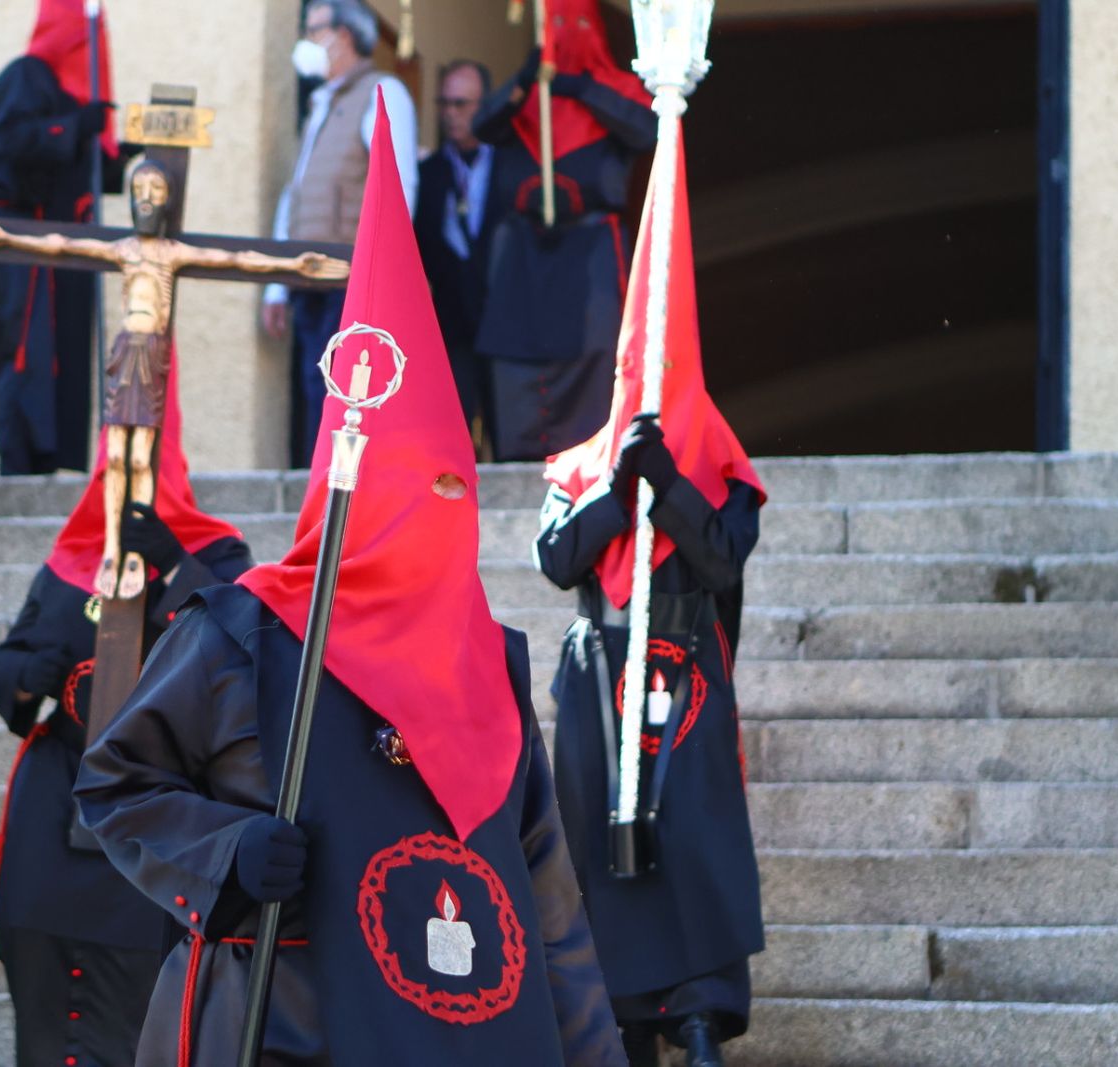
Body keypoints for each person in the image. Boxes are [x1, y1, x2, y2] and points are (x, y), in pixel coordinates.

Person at [78, 99, 625, 1067]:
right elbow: (116, 784)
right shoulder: (238, 632)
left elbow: (549, 907)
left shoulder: (487, 670)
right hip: (279, 1024)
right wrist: (225, 851)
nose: (440, 511)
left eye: (456, 487)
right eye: (419, 488)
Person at [533, 128, 766, 1067]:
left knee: (697, 837)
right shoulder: (582, 461)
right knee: (599, 845)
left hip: (687, 663)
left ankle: (700, 1013)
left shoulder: (720, 463)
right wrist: (612, 487)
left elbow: (719, 560)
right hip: (600, 668)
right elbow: (557, 559)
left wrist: (671, 482)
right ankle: (625, 1022)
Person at [0, 354, 254, 1067]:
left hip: (156, 827)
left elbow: (245, 653)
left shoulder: (216, 554)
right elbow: (6, 669)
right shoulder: (71, 556)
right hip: (51, 819)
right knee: (45, 1022)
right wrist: (26, 674)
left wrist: (173, 569)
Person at [0, 162, 346, 598]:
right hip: (124, 354)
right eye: (137, 187)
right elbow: (61, 245)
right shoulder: (123, 248)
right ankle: (112, 547)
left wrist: (301, 264)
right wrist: (2, 237)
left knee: (142, 459)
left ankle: (136, 548)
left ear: (165, 199)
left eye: (154, 188)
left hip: (150, 358)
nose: (144, 197)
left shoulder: (168, 252)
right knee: (115, 460)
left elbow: (236, 258)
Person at [474, 0, 658, 461]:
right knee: (514, 359)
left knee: (595, 360)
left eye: (575, 25)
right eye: (556, 26)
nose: (565, 36)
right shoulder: (525, 103)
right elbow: (484, 127)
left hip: (589, 252)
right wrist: (525, 80)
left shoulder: (614, 93)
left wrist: (580, 88)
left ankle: (590, 460)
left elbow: (646, 129)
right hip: (524, 258)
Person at [261, 0, 419, 466]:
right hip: (309, 274)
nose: (307, 43)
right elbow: (297, 190)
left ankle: (340, 493)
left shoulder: (382, 91)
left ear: (344, 36)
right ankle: (319, 490)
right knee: (317, 386)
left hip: (353, 275)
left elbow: (399, 185)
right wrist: (275, 284)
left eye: (314, 31)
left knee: (346, 390)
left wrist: (386, 267)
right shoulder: (323, 101)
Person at [0, 0, 122, 475]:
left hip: (62, 252)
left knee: (59, 365)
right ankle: (20, 470)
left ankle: (49, 465)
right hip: (25, 248)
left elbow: (80, 171)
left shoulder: (66, 94)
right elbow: (13, 145)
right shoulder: (26, 77)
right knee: (25, 362)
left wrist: (119, 152)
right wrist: (78, 126)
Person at [413, 59, 497, 453]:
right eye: (444, 103)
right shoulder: (426, 173)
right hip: (450, 322)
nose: (450, 113)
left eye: (461, 103)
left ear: (485, 105)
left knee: (510, 427)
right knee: (452, 433)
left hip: (506, 322)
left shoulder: (511, 165)